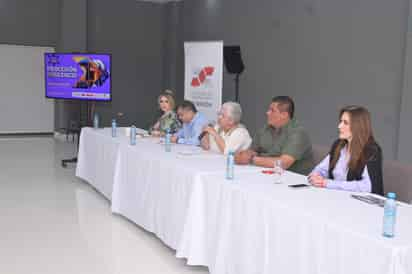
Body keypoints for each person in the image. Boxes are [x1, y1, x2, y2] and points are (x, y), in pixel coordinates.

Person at [308, 106, 383, 194]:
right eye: (340, 121)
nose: (339, 126)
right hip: (338, 197)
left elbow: (367, 186)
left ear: (358, 126)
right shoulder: (339, 145)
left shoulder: (372, 150)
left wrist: (328, 184)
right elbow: (321, 169)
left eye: (345, 123)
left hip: (360, 204)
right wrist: (316, 176)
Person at [235, 96, 314, 175]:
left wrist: (251, 159)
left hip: (292, 179)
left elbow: (283, 163)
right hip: (266, 173)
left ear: (284, 115)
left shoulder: (298, 133)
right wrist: (243, 155)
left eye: (272, 110)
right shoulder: (265, 130)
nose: (267, 113)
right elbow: (253, 151)